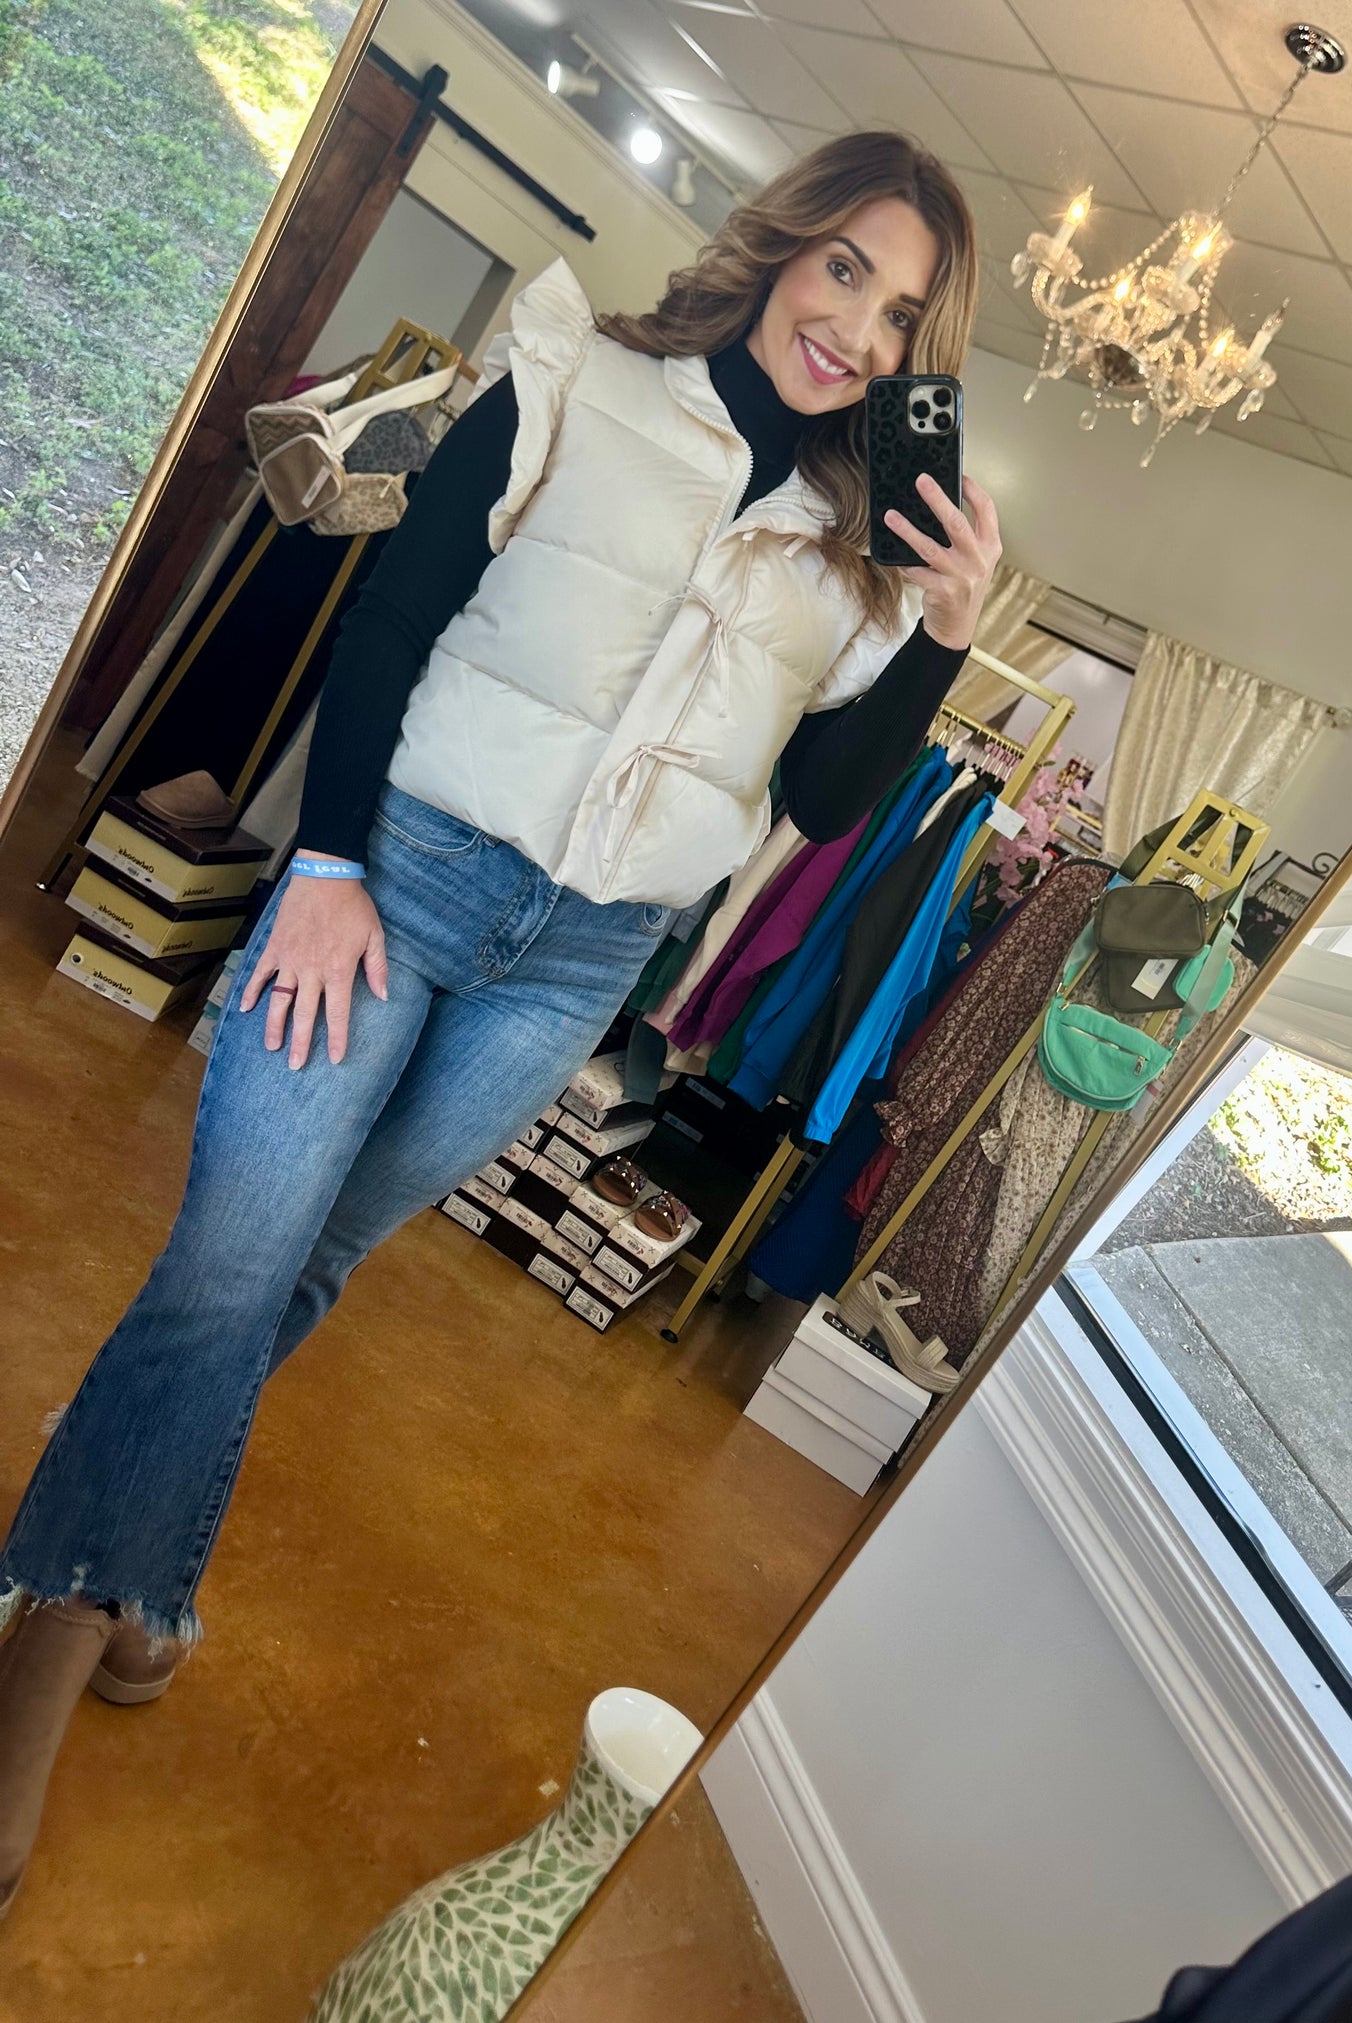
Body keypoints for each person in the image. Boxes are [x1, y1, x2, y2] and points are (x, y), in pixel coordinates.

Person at [0, 128, 1000, 1916]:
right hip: (399, 879)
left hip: (577, 962)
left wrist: (937, 634)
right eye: (845, 267)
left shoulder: (854, 556)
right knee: (234, 1260)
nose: (856, 328)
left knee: (309, 1267)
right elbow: (391, 617)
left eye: (901, 314)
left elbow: (828, 799)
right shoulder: (575, 372)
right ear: (784, 246)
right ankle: (62, 1640)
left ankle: (116, 1542)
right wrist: (323, 863)